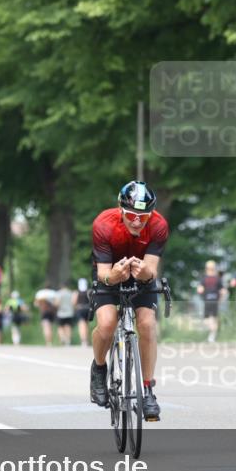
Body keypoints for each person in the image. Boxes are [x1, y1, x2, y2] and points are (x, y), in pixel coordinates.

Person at [89, 180, 169, 420]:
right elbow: (103, 272)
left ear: (151, 214)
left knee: (146, 324)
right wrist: (113, 277)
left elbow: (152, 270)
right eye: (132, 215)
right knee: (106, 324)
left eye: (143, 217)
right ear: (121, 209)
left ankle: (147, 389)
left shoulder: (158, 226)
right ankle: (99, 367)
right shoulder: (103, 224)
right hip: (110, 272)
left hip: (141, 274)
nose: (137, 221)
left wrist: (144, 272)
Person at [197, 260, 224, 343]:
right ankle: (212, 335)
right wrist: (220, 300)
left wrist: (200, 291)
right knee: (213, 318)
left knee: (206, 319)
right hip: (215, 301)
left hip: (207, 301)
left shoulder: (204, 279)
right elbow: (223, 291)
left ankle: (212, 334)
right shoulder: (218, 279)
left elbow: (200, 290)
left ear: (206, 268)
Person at [75, 278, 91, 347]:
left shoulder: (77, 292)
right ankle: (87, 340)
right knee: (86, 325)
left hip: (80, 309)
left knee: (81, 325)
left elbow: (74, 302)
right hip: (87, 309)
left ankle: (83, 341)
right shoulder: (88, 291)